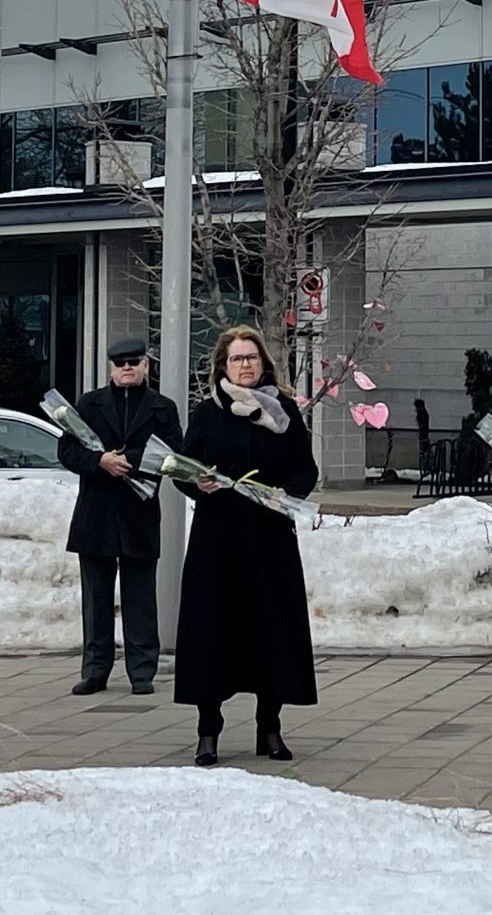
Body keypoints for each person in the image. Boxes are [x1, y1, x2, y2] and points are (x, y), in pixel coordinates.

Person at [172, 325, 318, 768]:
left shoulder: (285, 410)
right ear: (223, 365)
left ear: (263, 363)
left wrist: (284, 494)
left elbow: (305, 469)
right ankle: (208, 731)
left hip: (269, 538)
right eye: (237, 359)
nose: (245, 365)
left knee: (270, 630)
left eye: (252, 358)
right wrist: (199, 484)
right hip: (218, 541)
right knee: (211, 631)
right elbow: (182, 468)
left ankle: (269, 727)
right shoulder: (207, 413)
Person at [65, 335, 184, 697]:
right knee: (96, 598)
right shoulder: (89, 404)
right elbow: (67, 450)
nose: (128, 368)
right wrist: (100, 461)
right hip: (96, 514)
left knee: (140, 597)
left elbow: (174, 453)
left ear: (147, 365)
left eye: (135, 362)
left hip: (139, 513)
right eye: (121, 363)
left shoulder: (162, 407)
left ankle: (142, 671)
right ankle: (95, 669)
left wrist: (128, 460)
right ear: (111, 369)